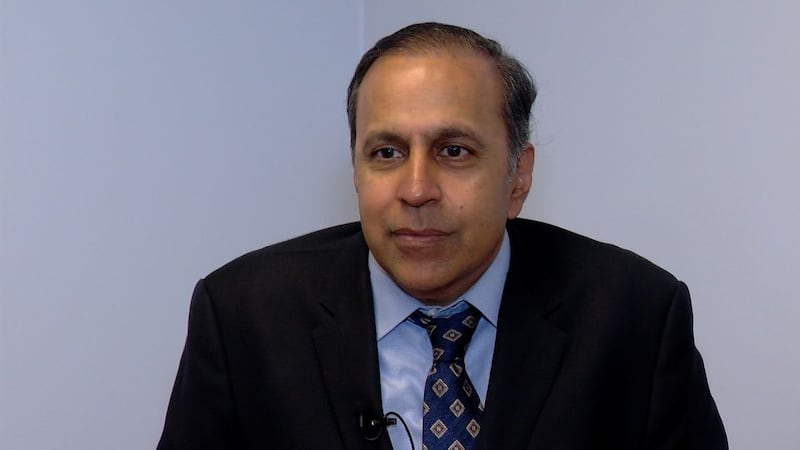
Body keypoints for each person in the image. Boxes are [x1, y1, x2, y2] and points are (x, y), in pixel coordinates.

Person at [158, 22, 727, 449]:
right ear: (355, 171)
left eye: (453, 152)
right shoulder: (242, 315)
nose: (416, 189)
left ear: (518, 176)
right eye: (386, 153)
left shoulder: (636, 316)